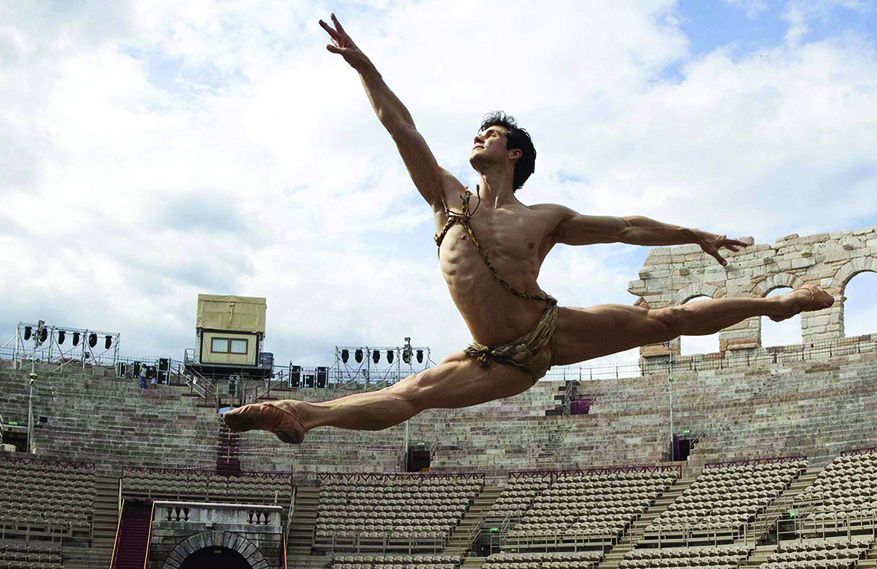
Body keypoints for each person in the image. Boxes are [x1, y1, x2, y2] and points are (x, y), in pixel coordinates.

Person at [223, 13, 834, 445]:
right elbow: (401, 128)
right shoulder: (446, 199)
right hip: (495, 359)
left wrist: (693, 234)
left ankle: (775, 305)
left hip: (551, 330)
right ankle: (301, 414)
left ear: (513, 154)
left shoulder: (544, 218)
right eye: (479, 132)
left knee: (664, 322)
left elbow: (626, 226)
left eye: (490, 135)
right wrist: (367, 70)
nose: (478, 138)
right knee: (411, 395)